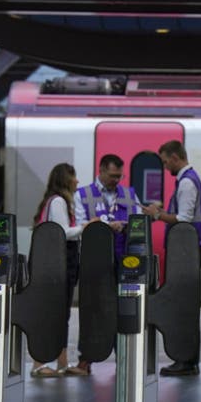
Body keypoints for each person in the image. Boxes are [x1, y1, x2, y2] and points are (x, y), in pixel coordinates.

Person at [68, 154, 143, 376]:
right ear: (101, 170)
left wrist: (127, 226)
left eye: (119, 176)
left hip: (125, 261)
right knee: (93, 309)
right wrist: (107, 226)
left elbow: (139, 222)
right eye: (112, 176)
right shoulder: (82, 195)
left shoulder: (129, 194)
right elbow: (82, 225)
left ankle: (125, 359)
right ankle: (86, 359)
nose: (116, 180)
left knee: (126, 310)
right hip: (95, 262)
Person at [143, 140, 201, 377]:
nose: (164, 165)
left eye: (165, 160)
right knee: (185, 305)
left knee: (184, 306)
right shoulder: (187, 180)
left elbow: (184, 219)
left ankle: (186, 360)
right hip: (187, 252)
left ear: (176, 157)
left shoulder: (187, 182)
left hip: (187, 253)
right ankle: (186, 359)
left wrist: (157, 214)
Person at [30, 163, 85, 378]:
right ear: (65, 179)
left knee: (61, 315)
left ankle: (62, 363)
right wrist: (85, 227)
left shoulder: (54, 201)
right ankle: (38, 363)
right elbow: (63, 232)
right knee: (52, 314)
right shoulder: (59, 201)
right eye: (74, 177)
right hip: (59, 265)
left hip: (58, 265)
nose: (77, 181)